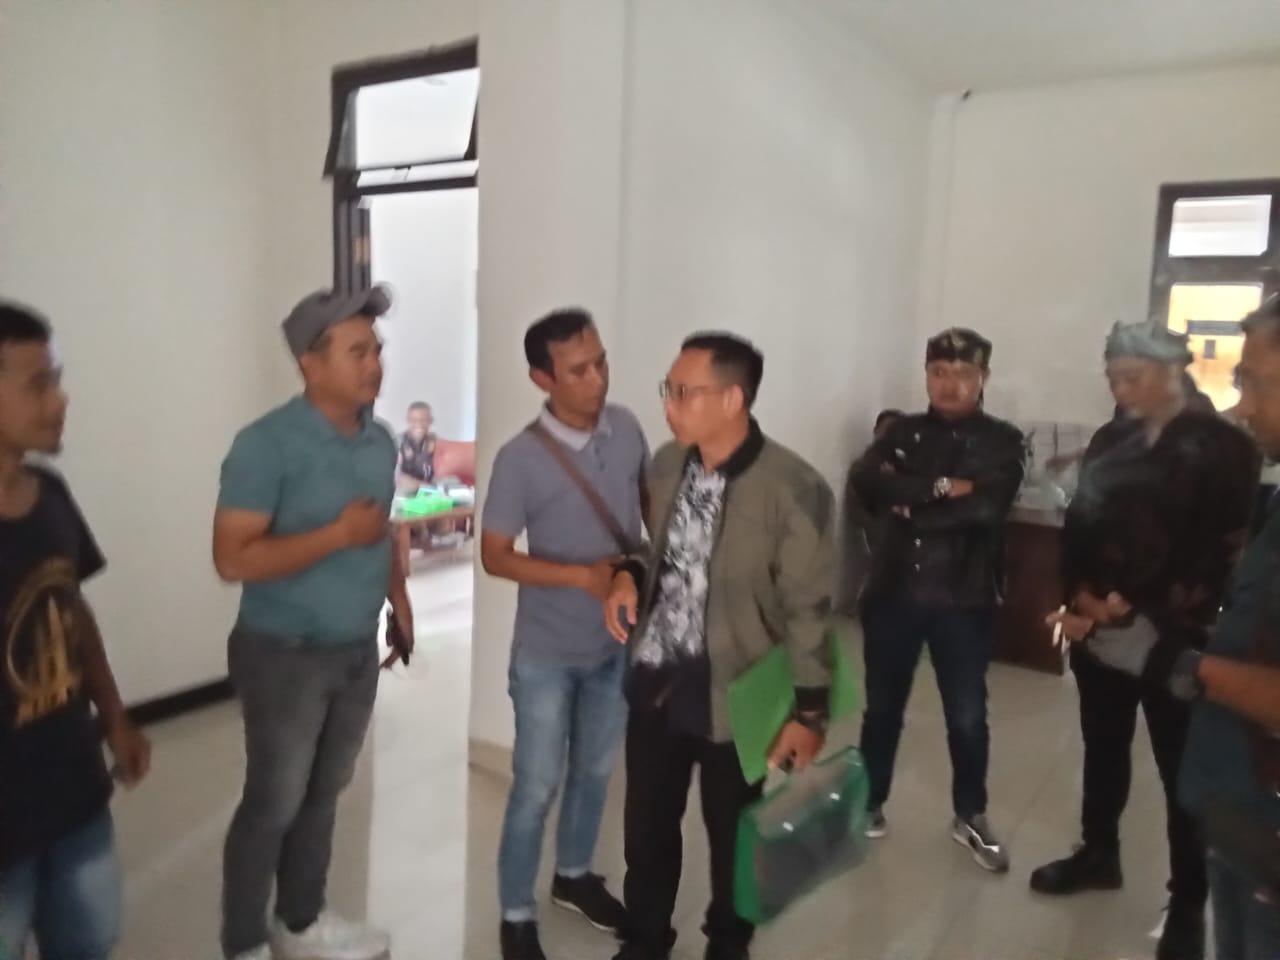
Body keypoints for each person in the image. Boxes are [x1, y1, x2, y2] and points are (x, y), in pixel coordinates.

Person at [1051, 300, 1280, 960]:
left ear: (1174, 370)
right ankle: (1099, 851)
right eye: (1113, 378)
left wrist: (1142, 613)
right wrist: (1080, 595)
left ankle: (1186, 900)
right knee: (1103, 747)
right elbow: (1080, 523)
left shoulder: (1227, 446)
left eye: (1133, 377)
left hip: (1176, 639)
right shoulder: (1111, 439)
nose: (1121, 391)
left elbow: (1223, 550)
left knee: (1180, 768)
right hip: (1101, 628)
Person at [604, 332, 837, 960]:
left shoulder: (794, 489)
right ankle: (645, 938)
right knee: (646, 827)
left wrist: (810, 713)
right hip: (658, 678)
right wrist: (627, 575)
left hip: (737, 690)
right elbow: (657, 552)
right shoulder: (666, 465)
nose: (669, 405)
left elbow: (809, 610)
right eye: (669, 389)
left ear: (733, 399)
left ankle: (729, 943)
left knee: (735, 834)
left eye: (684, 392)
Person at [213, 287, 413, 960]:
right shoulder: (264, 445)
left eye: (377, 349)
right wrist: (336, 534)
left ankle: (300, 922)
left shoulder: (380, 442)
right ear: (310, 362)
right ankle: (244, 941)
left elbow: (379, 531)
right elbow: (231, 557)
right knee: (274, 802)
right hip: (284, 653)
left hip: (355, 648)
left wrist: (399, 601)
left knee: (324, 793)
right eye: (358, 352)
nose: (375, 363)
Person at [480, 309, 649, 960]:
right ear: (542, 378)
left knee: (596, 770)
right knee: (535, 785)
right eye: (578, 370)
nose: (597, 379)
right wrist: (582, 577)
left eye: (600, 362)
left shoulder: (627, 428)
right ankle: (516, 911)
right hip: (546, 654)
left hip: (615, 642)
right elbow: (495, 556)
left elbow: (648, 515)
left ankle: (574, 876)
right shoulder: (519, 459)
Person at [0, 301, 152, 960]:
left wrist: (114, 717)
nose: (60, 400)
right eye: (38, 384)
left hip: (73, 790)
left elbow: (71, 611)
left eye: (56, 379)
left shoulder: (51, 494)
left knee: (88, 940)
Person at [848, 328, 1024, 871]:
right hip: (894, 593)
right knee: (882, 710)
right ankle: (868, 804)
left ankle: (970, 814)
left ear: (984, 377)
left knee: (967, 715)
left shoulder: (1002, 440)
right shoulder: (902, 431)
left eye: (963, 374)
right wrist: (947, 486)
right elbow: (865, 481)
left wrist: (911, 502)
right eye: (939, 373)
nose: (949, 384)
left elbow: (987, 509)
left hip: (963, 598)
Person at [838, 409, 905, 614]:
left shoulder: (907, 465)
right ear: (876, 431)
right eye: (886, 430)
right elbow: (856, 507)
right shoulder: (864, 466)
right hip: (878, 528)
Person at [397, 401, 437, 491]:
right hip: (405, 494)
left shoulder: (437, 443)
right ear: (408, 420)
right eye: (414, 420)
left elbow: (443, 475)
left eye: (424, 420)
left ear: (430, 421)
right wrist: (429, 488)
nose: (419, 424)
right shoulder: (398, 443)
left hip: (433, 496)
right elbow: (399, 478)